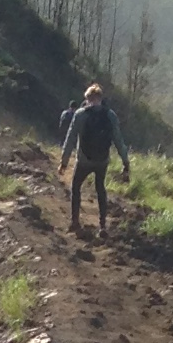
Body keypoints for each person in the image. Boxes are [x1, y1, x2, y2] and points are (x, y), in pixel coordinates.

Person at [57, 83, 129, 234]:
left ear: (88, 98)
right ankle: (102, 226)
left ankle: (75, 222)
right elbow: (118, 140)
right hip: (102, 160)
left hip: (83, 160)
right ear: (101, 98)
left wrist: (64, 162)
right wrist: (125, 162)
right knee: (100, 189)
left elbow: (70, 138)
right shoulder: (110, 115)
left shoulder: (81, 114)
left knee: (76, 187)